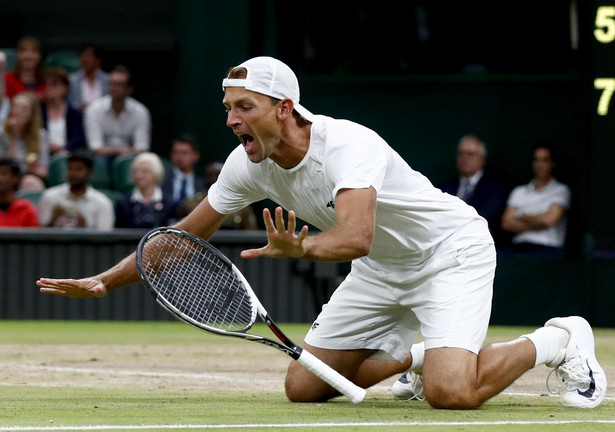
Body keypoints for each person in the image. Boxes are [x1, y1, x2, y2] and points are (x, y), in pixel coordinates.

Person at [37, 56, 606, 410]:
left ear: (284, 108)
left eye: (244, 108)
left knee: (452, 394)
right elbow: (182, 240)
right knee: (305, 388)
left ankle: (558, 339)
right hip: (382, 271)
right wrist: (103, 284)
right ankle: (419, 355)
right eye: (228, 108)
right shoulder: (246, 163)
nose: (232, 120)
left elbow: (355, 235)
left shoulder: (349, 145)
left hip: (448, 254)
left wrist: (300, 246)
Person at [500, 142, 571, 254]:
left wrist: (521, 216)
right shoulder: (519, 191)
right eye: (536, 160)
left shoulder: (561, 190)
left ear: (552, 163)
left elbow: (548, 220)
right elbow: (507, 223)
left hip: (548, 249)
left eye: (544, 160)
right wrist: (539, 221)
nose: (539, 165)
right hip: (519, 247)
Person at [438, 135, 507, 243]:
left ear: (481, 159)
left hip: (479, 241)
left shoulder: (494, 187)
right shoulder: (445, 187)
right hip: (445, 241)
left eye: (470, 154)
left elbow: (485, 216)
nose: (465, 158)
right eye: (461, 154)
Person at [84, 65, 151, 167]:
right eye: (112, 84)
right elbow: (95, 147)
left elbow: (142, 148)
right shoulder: (94, 109)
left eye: (119, 85)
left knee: (144, 161)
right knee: (98, 161)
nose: (114, 88)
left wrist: (127, 153)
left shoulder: (141, 112)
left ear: (129, 89)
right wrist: (119, 150)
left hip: (129, 157)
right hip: (102, 157)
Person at [38, 149, 114, 230]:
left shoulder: (102, 202)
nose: (73, 173)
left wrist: (83, 226)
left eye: (79, 169)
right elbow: (40, 235)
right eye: (70, 168)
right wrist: (54, 218)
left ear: (90, 172)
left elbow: (104, 239)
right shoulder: (50, 196)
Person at [114, 152, 178, 229]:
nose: (138, 175)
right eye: (135, 171)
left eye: (144, 171)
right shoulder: (123, 203)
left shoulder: (170, 204)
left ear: (156, 174)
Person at [0, 92, 49, 190]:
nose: (18, 111)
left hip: (27, 177)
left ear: (32, 114)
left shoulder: (41, 135)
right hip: (4, 179)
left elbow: (44, 170)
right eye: (15, 106)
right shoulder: (1, 133)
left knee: (30, 182)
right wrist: (15, 137)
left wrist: (33, 170)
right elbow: (3, 166)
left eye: (24, 108)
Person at [41, 67, 86, 155]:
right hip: (43, 153)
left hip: (68, 155)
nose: (49, 87)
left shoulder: (74, 113)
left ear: (65, 88)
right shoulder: (38, 111)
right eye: (47, 84)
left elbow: (78, 139)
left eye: (54, 84)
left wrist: (63, 149)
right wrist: (47, 146)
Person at [161, 134, 205, 204]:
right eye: (176, 152)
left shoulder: (203, 184)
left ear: (195, 155)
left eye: (184, 153)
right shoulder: (162, 180)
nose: (179, 157)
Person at [67, 43, 110, 112]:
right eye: (83, 56)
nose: (85, 60)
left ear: (98, 60)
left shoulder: (109, 80)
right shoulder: (71, 80)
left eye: (89, 56)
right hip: (79, 118)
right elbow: (67, 104)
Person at [0, 157, 38, 227]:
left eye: (4, 173)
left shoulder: (26, 209)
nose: (0, 178)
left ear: (15, 178)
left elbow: (34, 235)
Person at [4, 37, 45, 101]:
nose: (29, 56)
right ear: (18, 56)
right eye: (24, 51)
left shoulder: (47, 81)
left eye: (33, 51)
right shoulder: (7, 79)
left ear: (39, 57)